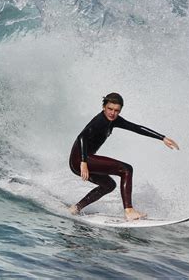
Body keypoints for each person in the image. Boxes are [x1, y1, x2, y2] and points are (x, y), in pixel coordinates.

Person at [68, 92, 179, 220]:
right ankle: (129, 211)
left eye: (116, 110)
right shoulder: (100, 120)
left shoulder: (113, 121)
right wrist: (83, 162)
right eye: (110, 109)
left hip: (82, 160)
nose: (112, 113)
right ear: (104, 107)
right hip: (80, 160)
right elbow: (82, 137)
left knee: (109, 185)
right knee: (126, 169)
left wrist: (162, 138)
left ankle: (76, 208)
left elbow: (135, 127)